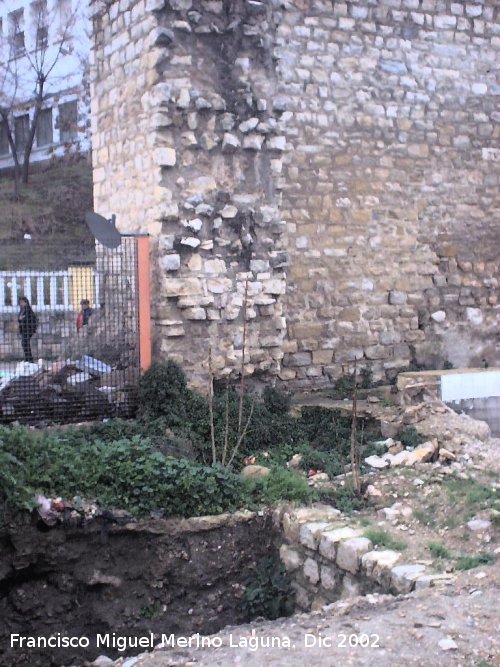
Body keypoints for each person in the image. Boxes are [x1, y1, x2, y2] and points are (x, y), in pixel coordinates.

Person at [18, 296, 37, 363]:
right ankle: (27, 358)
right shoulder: (22, 310)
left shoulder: (28, 311)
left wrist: (23, 319)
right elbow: (19, 319)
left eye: (22, 302)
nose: (21, 304)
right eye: (20, 302)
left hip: (28, 330)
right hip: (23, 330)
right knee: (24, 344)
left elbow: (31, 319)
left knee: (25, 343)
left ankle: (29, 359)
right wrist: (20, 319)